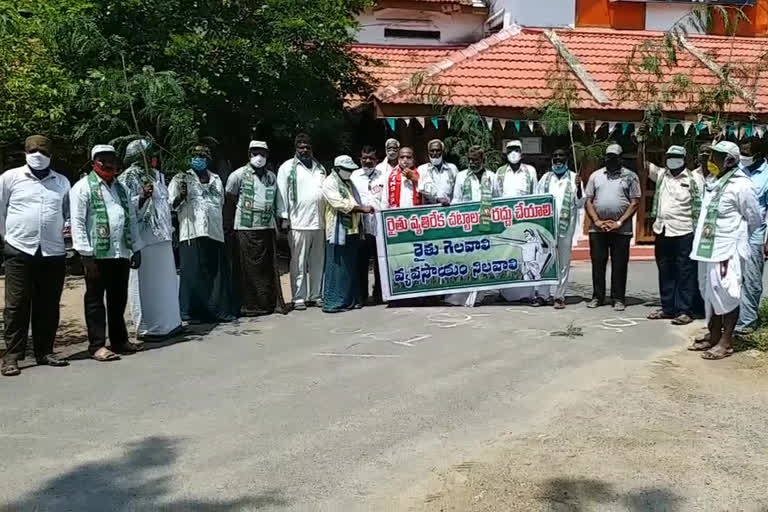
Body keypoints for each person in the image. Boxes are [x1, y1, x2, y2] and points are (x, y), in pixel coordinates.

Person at [0, 135, 70, 376]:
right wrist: (7, 238)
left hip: (53, 250)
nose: (37, 154)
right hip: (19, 248)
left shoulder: (61, 182)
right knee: (16, 304)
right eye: (32, 150)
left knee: (49, 303)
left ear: (51, 155)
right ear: (25, 152)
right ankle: (12, 356)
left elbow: (66, 213)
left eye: (42, 150)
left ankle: (45, 351)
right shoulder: (10, 178)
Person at [70, 144, 144, 362]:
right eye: (103, 159)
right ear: (94, 163)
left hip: (119, 251)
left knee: (117, 299)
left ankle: (119, 340)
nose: (109, 163)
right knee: (94, 300)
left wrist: (136, 248)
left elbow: (130, 219)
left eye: (112, 159)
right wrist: (85, 254)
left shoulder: (121, 189)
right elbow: (78, 222)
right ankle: (97, 345)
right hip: (96, 254)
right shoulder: (83, 187)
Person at [689, 141, 761, 360]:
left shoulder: (742, 185)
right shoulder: (713, 182)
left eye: (716, 157)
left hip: (727, 249)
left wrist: (737, 238)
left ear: (729, 160)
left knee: (727, 293)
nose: (711, 161)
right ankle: (713, 334)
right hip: (706, 249)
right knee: (709, 294)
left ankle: (726, 341)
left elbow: (754, 218)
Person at [119, 138, 182, 341]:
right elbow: (125, 208)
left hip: (162, 237)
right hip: (144, 240)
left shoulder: (157, 176)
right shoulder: (128, 177)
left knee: (167, 283)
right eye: (150, 154)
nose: (155, 158)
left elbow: (165, 204)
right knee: (146, 285)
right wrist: (142, 197)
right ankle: (149, 328)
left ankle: (171, 323)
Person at [639, 144, 704, 325]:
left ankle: (685, 310)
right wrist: (640, 141)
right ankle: (668, 307)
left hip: (685, 231)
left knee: (685, 271)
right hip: (663, 229)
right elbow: (641, 164)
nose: (671, 159)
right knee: (665, 270)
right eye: (669, 156)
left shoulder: (695, 178)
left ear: (684, 159)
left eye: (675, 156)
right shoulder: (661, 175)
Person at [168, 145, 233, 323]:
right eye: (195, 156)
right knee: (192, 273)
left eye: (202, 155)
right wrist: (181, 196)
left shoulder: (216, 179)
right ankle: (191, 312)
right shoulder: (181, 178)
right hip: (192, 231)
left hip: (213, 230)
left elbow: (220, 202)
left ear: (208, 159)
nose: (198, 158)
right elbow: (171, 206)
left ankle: (216, 311)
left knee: (214, 273)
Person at [225, 141, 287, 317]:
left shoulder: (271, 177)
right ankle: (249, 306)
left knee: (267, 269)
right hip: (245, 228)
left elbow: (277, 200)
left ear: (267, 156)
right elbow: (230, 197)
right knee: (247, 269)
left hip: (266, 227)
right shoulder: (237, 175)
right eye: (255, 153)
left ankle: (268, 304)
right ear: (249, 154)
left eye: (263, 153)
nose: (259, 157)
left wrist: (282, 220)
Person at [585, 144, 642, 311]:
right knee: (598, 263)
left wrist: (619, 222)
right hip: (598, 228)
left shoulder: (630, 177)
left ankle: (618, 298)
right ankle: (598, 296)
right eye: (608, 157)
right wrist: (596, 220)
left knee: (619, 264)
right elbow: (588, 200)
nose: (610, 160)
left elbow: (635, 202)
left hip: (621, 230)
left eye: (614, 157)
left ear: (620, 159)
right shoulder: (595, 176)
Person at [445, 146, 501, 307]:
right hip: (467, 227)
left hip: (486, 225)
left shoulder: (491, 176)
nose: (472, 162)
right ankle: (462, 296)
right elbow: (456, 200)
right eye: (470, 159)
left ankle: (479, 295)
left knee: (483, 261)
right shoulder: (462, 176)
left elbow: (498, 199)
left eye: (475, 159)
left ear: (482, 160)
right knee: (467, 261)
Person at [277, 133, 326, 311]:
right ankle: (298, 297)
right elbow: (281, 194)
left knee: (317, 260)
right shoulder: (287, 167)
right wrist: (284, 217)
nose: (304, 150)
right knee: (298, 261)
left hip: (319, 221)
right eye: (301, 147)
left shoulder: (320, 167)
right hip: (298, 222)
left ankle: (316, 295)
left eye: (307, 146)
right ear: (295, 148)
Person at [320, 156, 374, 313]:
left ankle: (350, 300)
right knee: (337, 265)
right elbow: (340, 204)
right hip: (337, 231)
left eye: (351, 170)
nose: (350, 173)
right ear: (337, 169)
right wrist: (362, 209)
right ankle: (334, 302)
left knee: (350, 266)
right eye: (347, 170)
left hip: (352, 229)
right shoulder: (330, 182)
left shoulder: (348, 183)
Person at [534, 148, 585, 309]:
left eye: (561, 156)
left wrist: (578, 188)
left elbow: (580, 203)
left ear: (567, 159)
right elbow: (536, 200)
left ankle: (559, 296)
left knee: (563, 261)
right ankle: (542, 295)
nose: (558, 159)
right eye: (555, 156)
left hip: (565, 227)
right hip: (546, 227)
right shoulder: (545, 178)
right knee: (543, 260)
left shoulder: (574, 178)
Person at [498, 140, 540, 303]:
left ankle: (529, 293)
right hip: (506, 223)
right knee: (508, 257)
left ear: (522, 152)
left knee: (527, 260)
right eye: (510, 150)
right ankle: (505, 293)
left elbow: (536, 195)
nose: (513, 153)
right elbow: (496, 196)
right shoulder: (500, 172)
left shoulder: (530, 171)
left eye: (516, 150)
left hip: (525, 222)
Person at [736, 138, 768, 334]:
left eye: (747, 152)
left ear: (758, 154)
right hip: (732, 235)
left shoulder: (766, 175)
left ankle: (747, 323)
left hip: (754, 236)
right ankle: (730, 320)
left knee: (751, 280)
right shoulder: (737, 169)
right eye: (741, 151)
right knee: (730, 279)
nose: (743, 156)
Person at [351, 145, 385, 304]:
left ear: (376, 159)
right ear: (360, 159)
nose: (368, 161)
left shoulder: (382, 176)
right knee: (361, 261)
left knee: (380, 261)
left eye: (371, 158)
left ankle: (379, 293)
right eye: (364, 158)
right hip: (360, 225)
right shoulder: (353, 176)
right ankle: (361, 295)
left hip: (378, 225)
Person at [417, 139, 458, 206]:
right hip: (429, 212)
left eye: (438, 150)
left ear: (443, 152)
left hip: (450, 210)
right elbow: (421, 190)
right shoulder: (421, 169)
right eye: (432, 151)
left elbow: (458, 191)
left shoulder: (452, 168)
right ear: (428, 152)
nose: (435, 153)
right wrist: (437, 200)